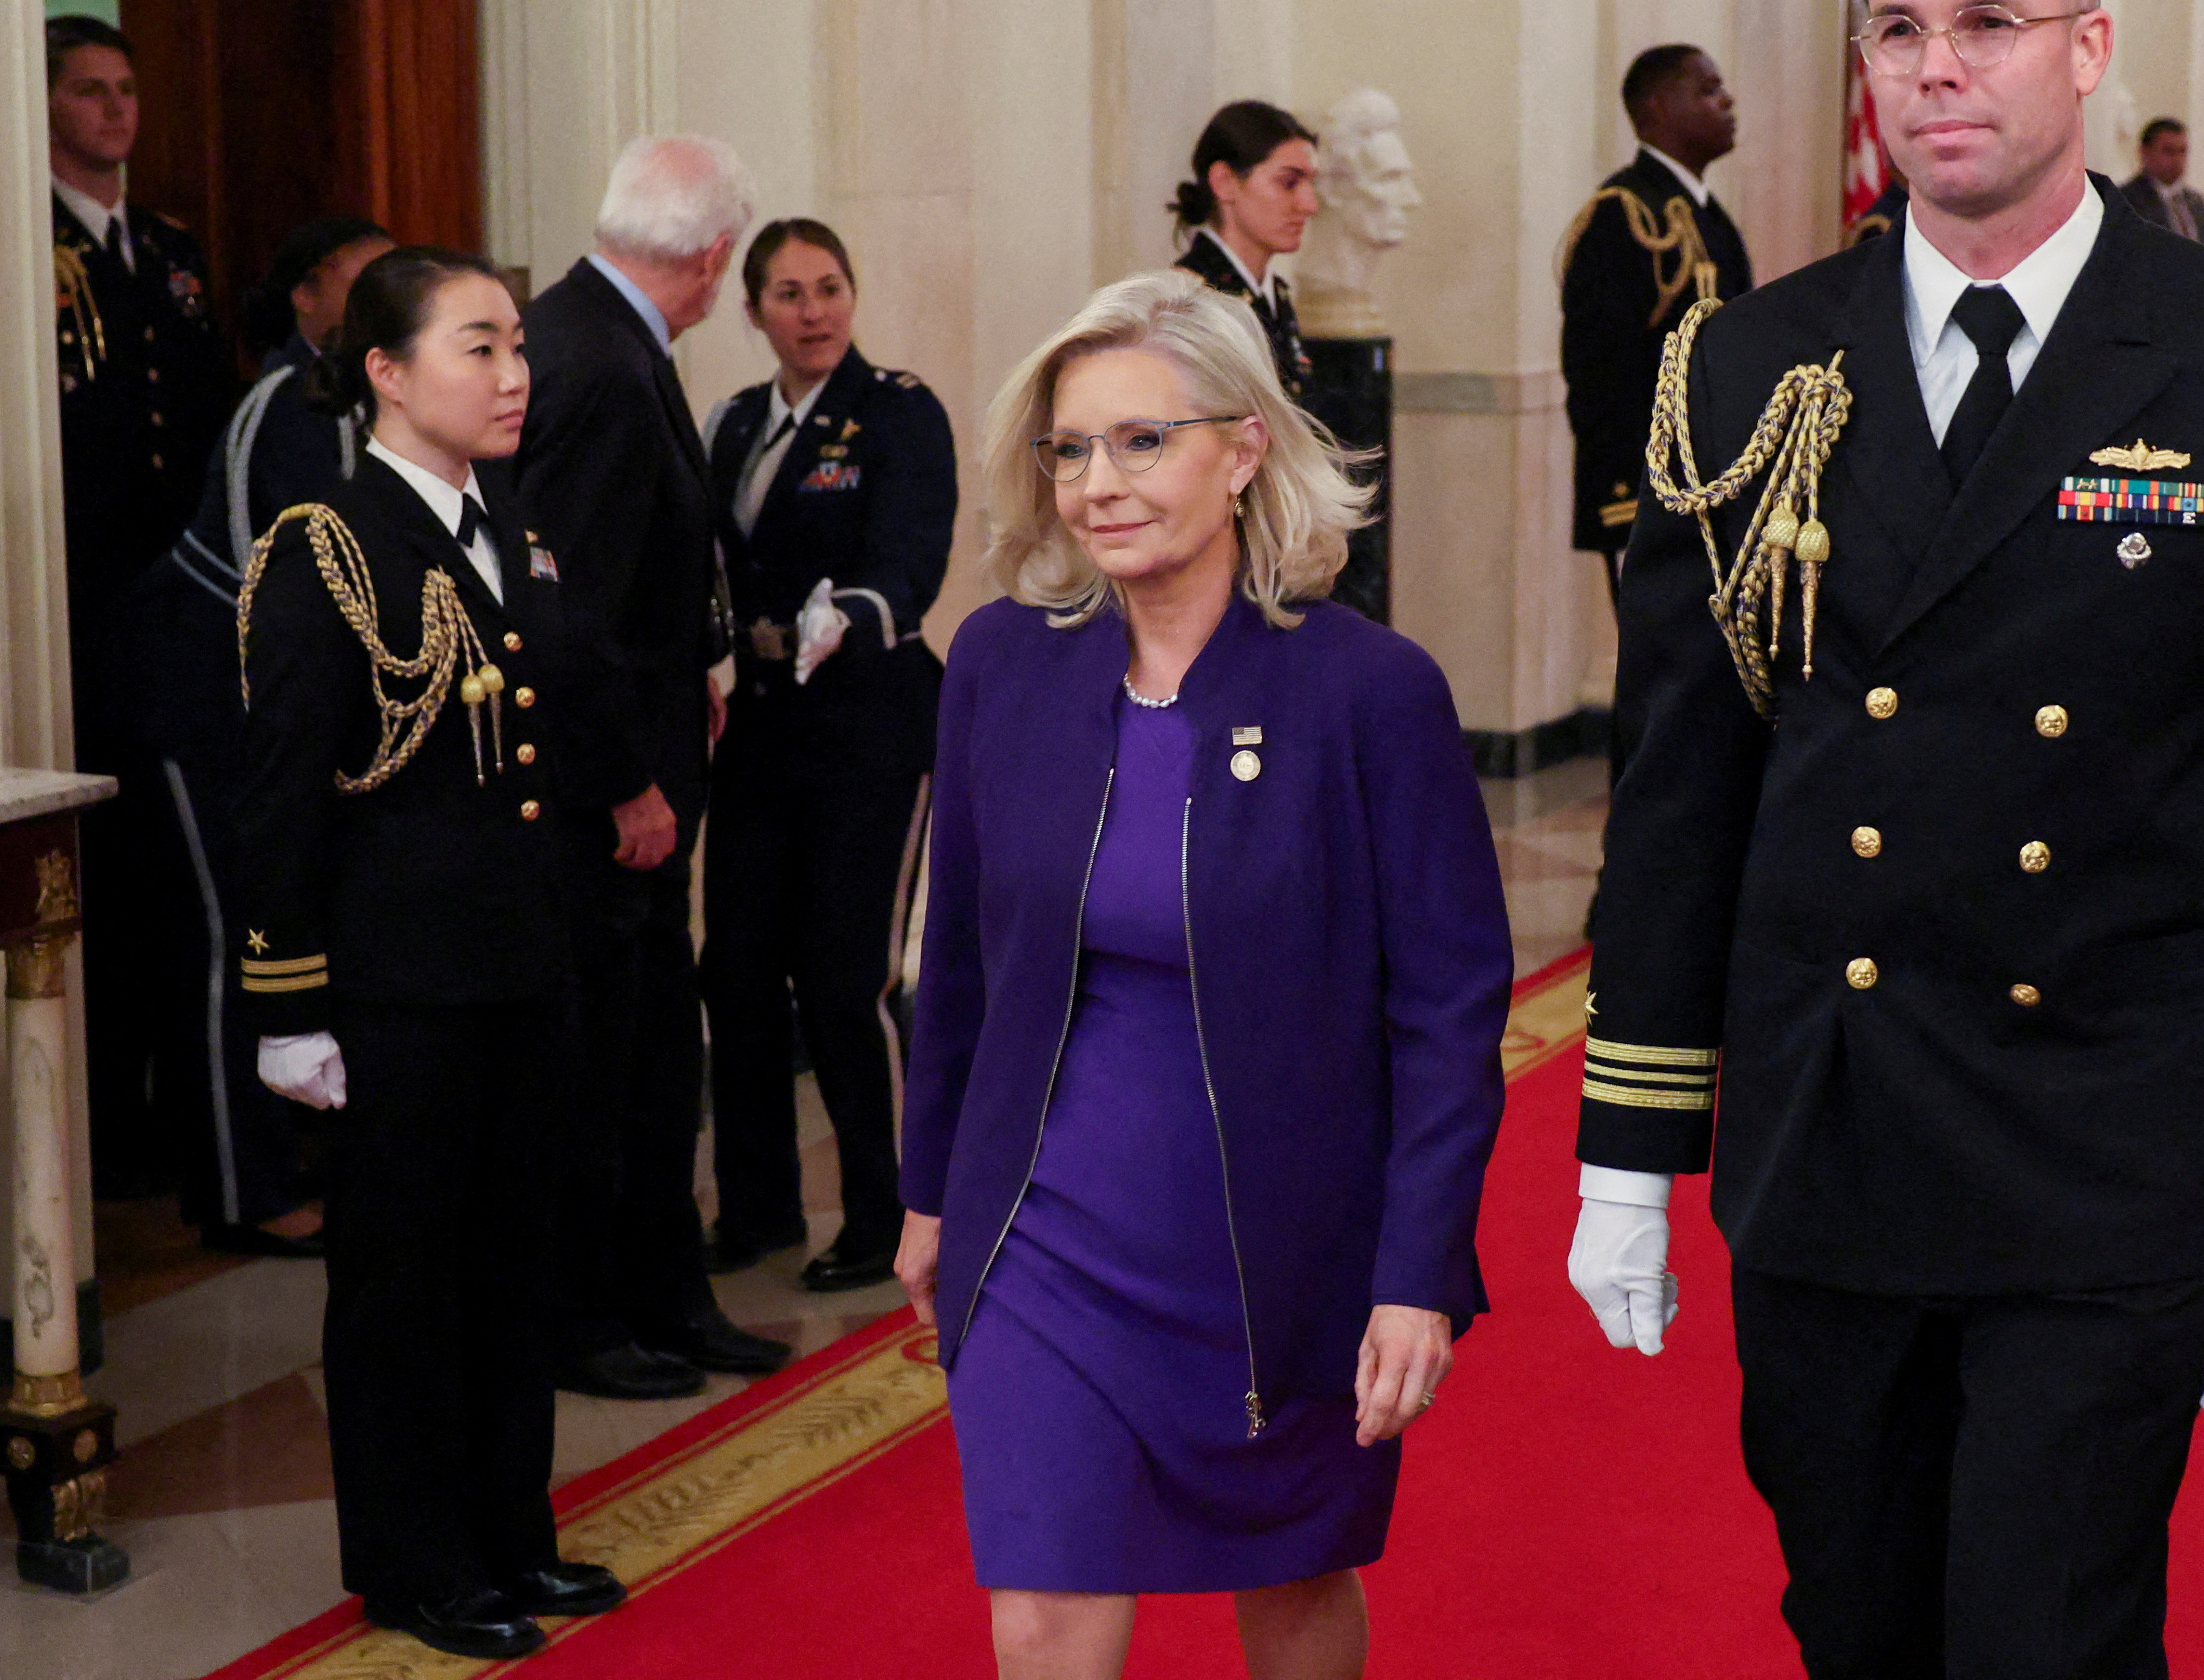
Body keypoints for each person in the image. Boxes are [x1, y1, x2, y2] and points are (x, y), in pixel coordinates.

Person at [1570, 0, 2204, 1676]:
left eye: (1983, 25)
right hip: (1827, 1138)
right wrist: (1625, 1152)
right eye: (1896, 29)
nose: (1932, 69)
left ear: (2086, 49)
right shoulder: (1747, 364)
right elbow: (1679, 786)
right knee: (1851, 1622)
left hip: (2098, 1138)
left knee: (2042, 1634)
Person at [897, 270, 1510, 1680]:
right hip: (1040, 1233)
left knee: (1292, 1593)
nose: (1096, 483)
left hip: (1277, 1251)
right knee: (1047, 1604)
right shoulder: (1000, 666)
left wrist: (1417, 1273)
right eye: (1070, 449)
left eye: (1141, 441)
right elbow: (962, 969)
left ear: (1242, 451)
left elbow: (1447, 1012)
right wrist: (932, 1189)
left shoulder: (1370, 692)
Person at [232, 246, 625, 1661]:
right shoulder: (324, 545)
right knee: (403, 1285)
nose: (514, 375)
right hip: (396, 988)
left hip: (517, 966)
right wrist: (284, 1003)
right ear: (386, 372)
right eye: (479, 348)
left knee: (514, 1263)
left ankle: (512, 1536)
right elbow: (278, 788)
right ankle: (415, 1564)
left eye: (517, 346)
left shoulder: (506, 521)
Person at [517, 134, 789, 1399]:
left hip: (648, 754)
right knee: (605, 1062)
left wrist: (695, 683)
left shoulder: (598, 334)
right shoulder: (595, 361)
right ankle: (587, 1316)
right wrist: (627, 773)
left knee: (650, 1054)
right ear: (714, 255)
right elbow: (570, 608)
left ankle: (667, 1301)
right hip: (600, 797)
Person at [122, 215, 394, 1258]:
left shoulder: (361, 397)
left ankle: (295, 1149)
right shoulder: (286, 401)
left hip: (272, 706)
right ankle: (240, 1188)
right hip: (198, 694)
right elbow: (276, 576)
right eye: (361, 280)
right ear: (309, 298)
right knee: (225, 936)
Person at [699, 218, 957, 1290]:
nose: (813, 312)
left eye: (830, 288)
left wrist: (851, 610)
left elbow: (912, 559)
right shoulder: (732, 422)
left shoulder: (896, 412)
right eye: (790, 294)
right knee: (740, 968)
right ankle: (757, 1207)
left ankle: (887, 1211)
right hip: (760, 725)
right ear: (755, 309)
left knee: (846, 978)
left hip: (871, 725)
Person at [46, 12, 238, 1197]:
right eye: (88, 92)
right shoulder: (31, 251)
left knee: (181, 880)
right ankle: (114, 1124)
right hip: (85, 600)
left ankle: (176, 1112)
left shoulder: (166, 249)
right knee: (113, 878)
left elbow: (205, 416)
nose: (116, 111)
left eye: (126, 89)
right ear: (48, 108)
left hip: (184, 602)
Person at [1560, 43, 1753, 584]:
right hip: (1655, 498)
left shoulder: (1706, 214)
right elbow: (1600, 373)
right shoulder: (1625, 215)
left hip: (1710, 488)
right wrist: (1627, 498)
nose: (1728, 101)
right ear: (1659, 109)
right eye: (1709, 90)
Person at [1170, 100, 1318, 401]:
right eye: (1289, 183)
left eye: (1310, 185)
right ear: (1225, 182)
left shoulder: (1275, 295)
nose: (1309, 205)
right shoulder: (1189, 299)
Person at [2121, 114, 2204, 249]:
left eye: (2182, 151)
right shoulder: (2127, 201)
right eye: (2169, 151)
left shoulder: (2196, 203)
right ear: (2145, 153)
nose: (2178, 160)